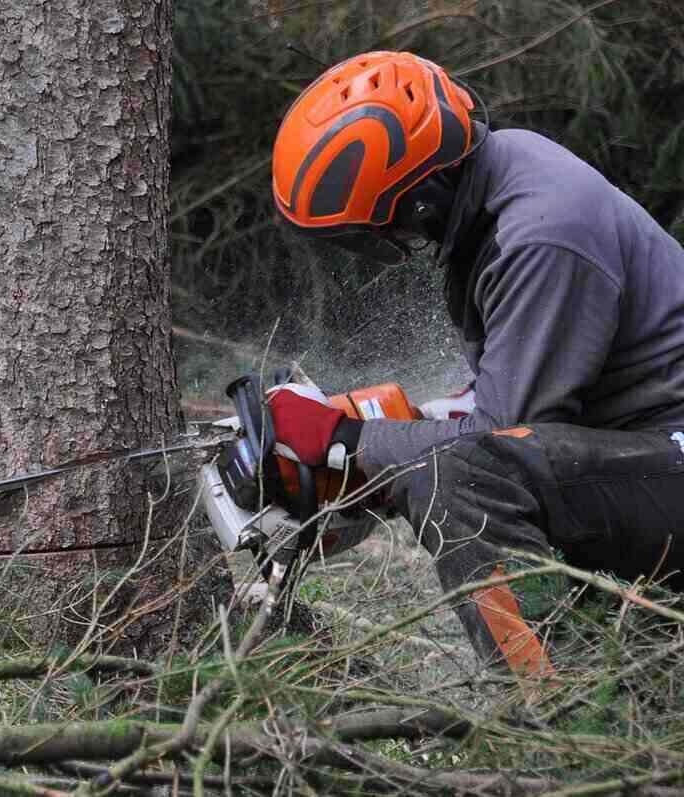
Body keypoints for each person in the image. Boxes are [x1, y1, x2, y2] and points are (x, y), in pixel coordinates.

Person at [266, 50, 684, 677]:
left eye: (375, 231)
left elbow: (499, 442)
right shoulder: (499, 180)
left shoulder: (541, 235)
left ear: (421, 199)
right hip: (648, 447)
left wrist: (350, 443)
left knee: (458, 480)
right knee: (445, 460)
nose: (383, 245)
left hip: (668, 449)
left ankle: (561, 721)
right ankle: (625, 683)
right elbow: (510, 402)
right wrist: (375, 427)